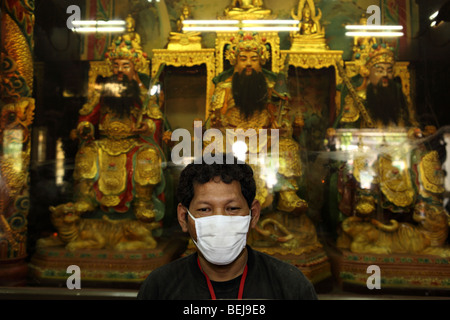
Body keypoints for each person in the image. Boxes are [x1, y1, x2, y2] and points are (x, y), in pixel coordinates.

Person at [137, 154, 318, 300]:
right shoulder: (159, 288)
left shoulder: (290, 286)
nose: (219, 220)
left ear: (253, 214)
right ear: (183, 217)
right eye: (205, 209)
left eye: (232, 208)